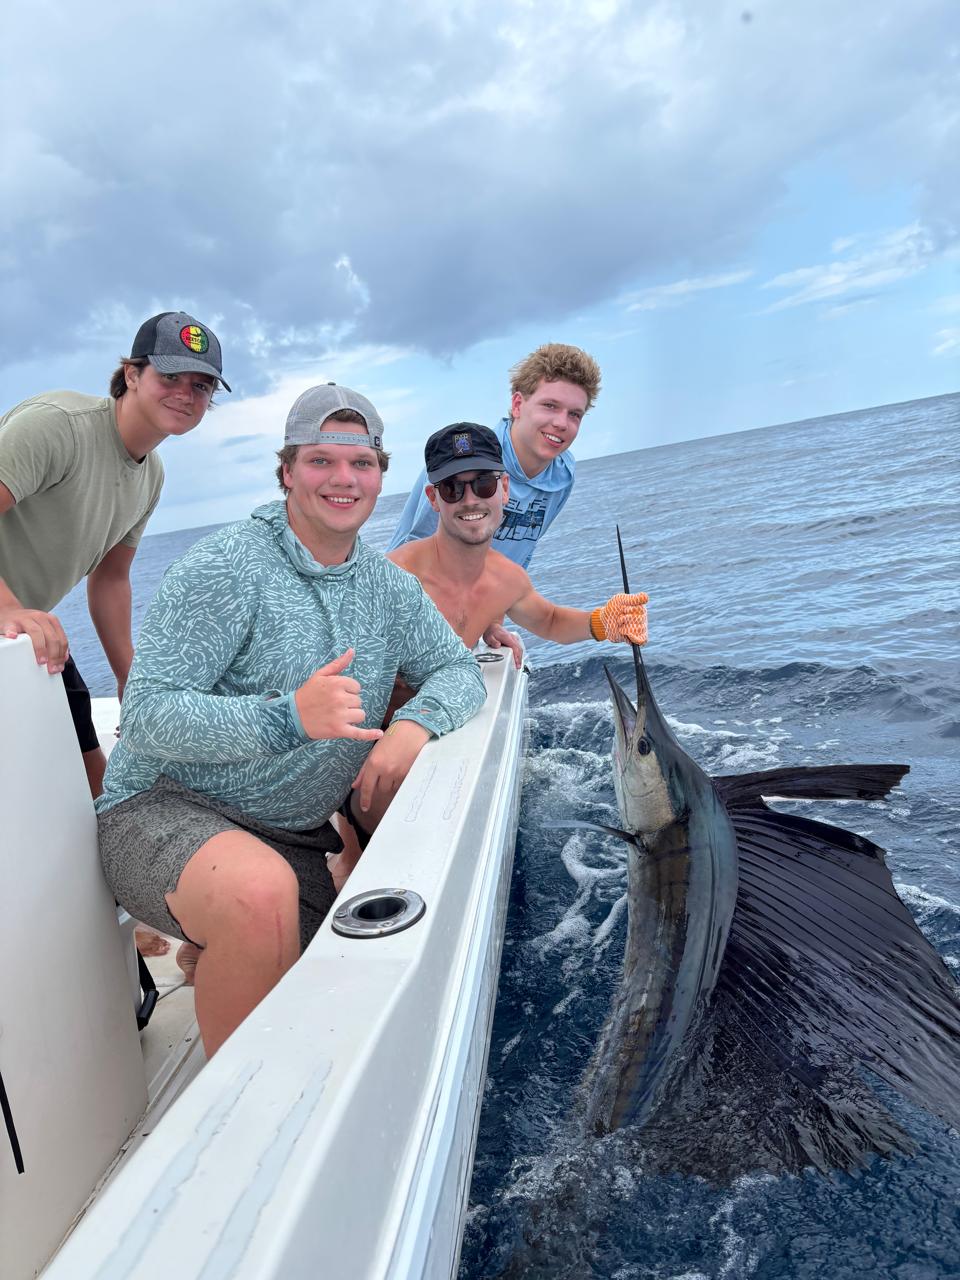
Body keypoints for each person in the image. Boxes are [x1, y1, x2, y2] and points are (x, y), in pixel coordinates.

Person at [96, 385, 486, 1056]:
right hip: (159, 809)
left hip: (294, 837)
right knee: (257, 896)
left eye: (361, 463)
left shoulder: (387, 586)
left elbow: (460, 671)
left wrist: (412, 726)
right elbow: (149, 716)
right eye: (320, 461)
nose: (344, 479)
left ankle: (210, 952)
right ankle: (236, 1135)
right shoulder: (226, 566)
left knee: (333, 1006)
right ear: (287, 472)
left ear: (381, 476)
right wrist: (287, 719)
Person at [0, 310, 229, 799]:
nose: (186, 394)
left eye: (202, 385)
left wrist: (131, 678)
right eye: (170, 375)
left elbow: (111, 579)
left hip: (17, 634)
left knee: (92, 764)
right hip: (7, 622)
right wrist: (8, 607)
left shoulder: (151, 475)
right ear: (131, 374)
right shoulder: (57, 425)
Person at [388, 423, 649, 664]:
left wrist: (604, 621)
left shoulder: (507, 580)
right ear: (434, 498)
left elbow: (550, 621)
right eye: (452, 489)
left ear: (504, 489)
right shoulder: (393, 576)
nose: (469, 500)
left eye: (484, 484)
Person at [387, 342, 600, 569]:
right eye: (549, 405)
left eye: (574, 414)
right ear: (518, 405)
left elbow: (525, 552)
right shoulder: (465, 456)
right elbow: (419, 545)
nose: (561, 423)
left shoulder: (563, 475)